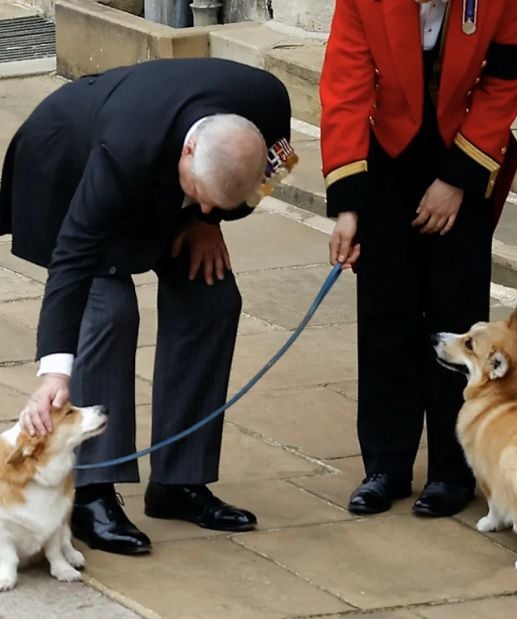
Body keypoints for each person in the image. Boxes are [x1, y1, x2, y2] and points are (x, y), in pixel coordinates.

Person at [0, 58, 296, 555]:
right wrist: (54, 372)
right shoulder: (124, 149)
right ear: (189, 151)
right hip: (66, 174)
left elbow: (273, 171)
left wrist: (210, 222)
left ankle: (180, 482)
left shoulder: (268, 101)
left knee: (213, 298)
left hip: (162, 188)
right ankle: (92, 492)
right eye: (201, 197)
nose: (206, 206)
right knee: (109, 310)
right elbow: (72, 261)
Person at [321, 0, 517, 516]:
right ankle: (385, 468)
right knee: (386, 313)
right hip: (386, 157)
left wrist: (457, 180)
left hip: (465, 151)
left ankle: (453, 473)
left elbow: (502, 83)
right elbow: (344, 90)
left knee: (457, 319)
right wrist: (347, 208)